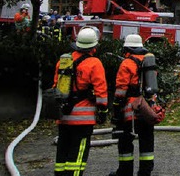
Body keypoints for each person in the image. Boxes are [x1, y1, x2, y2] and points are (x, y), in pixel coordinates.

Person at [54, 26, 108, 176]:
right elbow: (101, 91)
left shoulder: (64, 61)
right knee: (77, 157)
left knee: (62, 154)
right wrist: (103, 111)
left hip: (63, 116)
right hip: (83, 120)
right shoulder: (94, 63)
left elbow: (56, 86)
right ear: (94, 47)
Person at [109, 34, 155, 176]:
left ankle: (124, 172)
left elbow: (121, 89)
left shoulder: (127, 63)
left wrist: (116, 106)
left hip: (130, 109)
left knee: (125, 141)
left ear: (127, 49)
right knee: (147, 140)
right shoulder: (149, 62)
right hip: (147, 107)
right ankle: (145, 172)